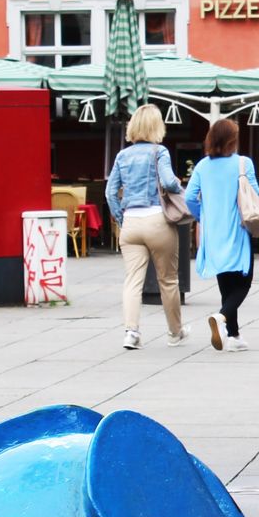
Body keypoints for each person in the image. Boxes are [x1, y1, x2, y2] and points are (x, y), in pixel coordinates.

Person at [105, 104, 187, 351]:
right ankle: (175, 332)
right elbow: (169, 182)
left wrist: (121, 218)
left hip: (131, 222)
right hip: (156, 220)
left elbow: (110, 193)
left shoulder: (122, 155)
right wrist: (180, 188)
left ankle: (131, 332)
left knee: (132, 280)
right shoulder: (159, 151)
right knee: (168, 280)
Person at [184, 116, 259, 352]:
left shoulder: (202, 166)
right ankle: (222, 316)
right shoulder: (243, 164)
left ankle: (233, 335)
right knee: (244, 282)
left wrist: (202, 215)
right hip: (237, 229)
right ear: (232, 141)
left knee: (225, 283)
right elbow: (255, 194)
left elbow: (189, 197)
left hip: (212, 232)